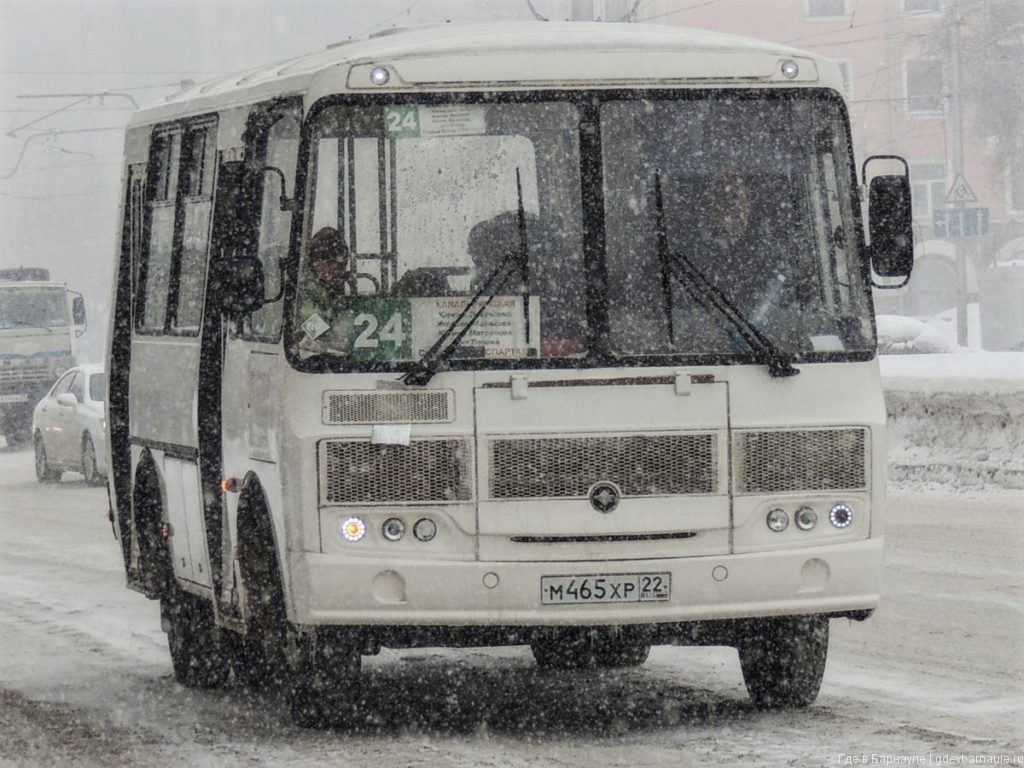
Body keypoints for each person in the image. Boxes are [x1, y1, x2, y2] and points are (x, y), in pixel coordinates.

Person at [297, 226, 352, 352]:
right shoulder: (306, 290)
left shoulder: (340, 290)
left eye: (341, 263)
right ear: (314, 262)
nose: (335, 268)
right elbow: (313, 329)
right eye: (327, 261)